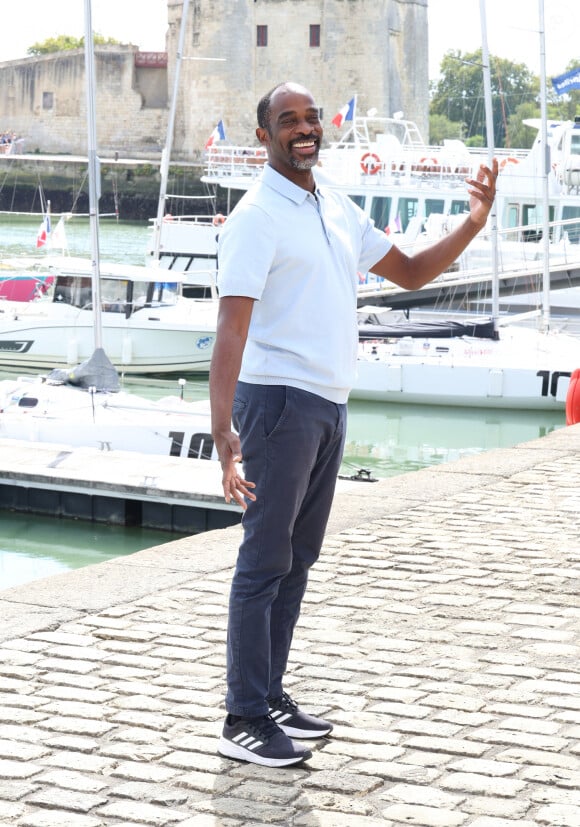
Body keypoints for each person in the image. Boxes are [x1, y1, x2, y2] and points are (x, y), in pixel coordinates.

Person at [209, 81, 498, 768]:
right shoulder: (257, 216)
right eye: (288, 120)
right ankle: (243, 713)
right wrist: (222, 428)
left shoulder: (331, 201)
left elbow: (410, 273)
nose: (304, 128)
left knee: (297, 559)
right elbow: (231, 322)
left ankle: (270, 693)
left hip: (327, 402)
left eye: (311, 118)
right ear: (264, 138)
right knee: (263, 560)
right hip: (277, 400)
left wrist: (474, 223)